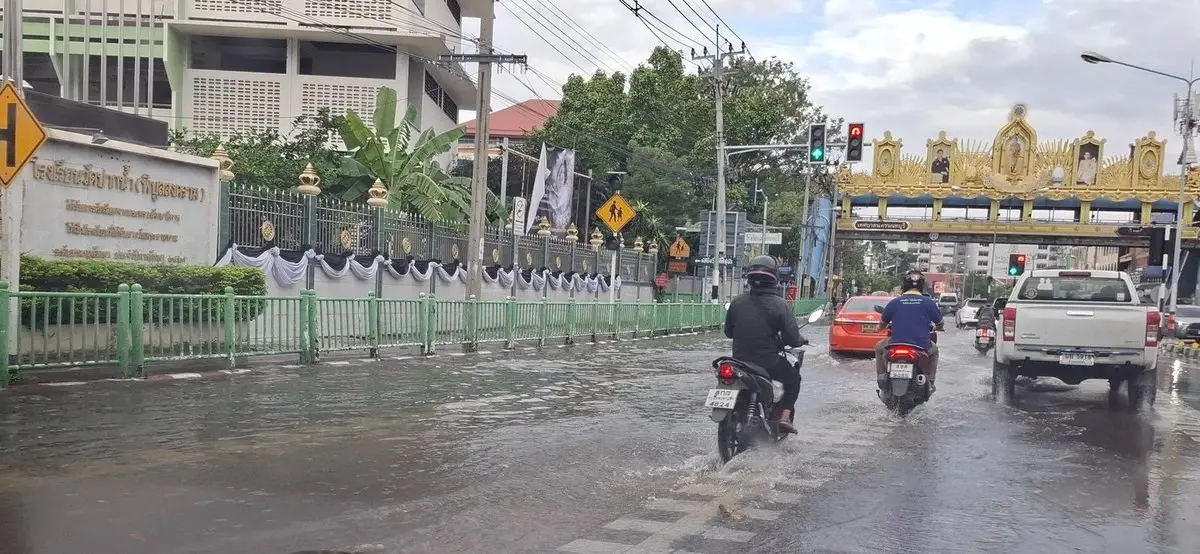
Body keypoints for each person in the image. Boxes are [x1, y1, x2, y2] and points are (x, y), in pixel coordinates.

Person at [724, 255, 808, 434]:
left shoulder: (736, 303)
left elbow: (728, 333)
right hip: (767, 362)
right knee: (794, 379)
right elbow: (792, 339)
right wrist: (800, 340)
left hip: (738, 361)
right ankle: (784, 418)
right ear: (773, 279)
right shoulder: (780, 305)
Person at [875, 270, 944, 397]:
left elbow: (882, 324)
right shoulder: (929, 302)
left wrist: (879, 328)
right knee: (935, 351)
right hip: (921, 345)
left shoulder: (894, 302)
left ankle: (882, 378)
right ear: (921, 286)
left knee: (879, 348)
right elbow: (940, 323)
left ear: (904, 286)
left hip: (895, 344)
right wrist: (939, 327)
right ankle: (929, 381)